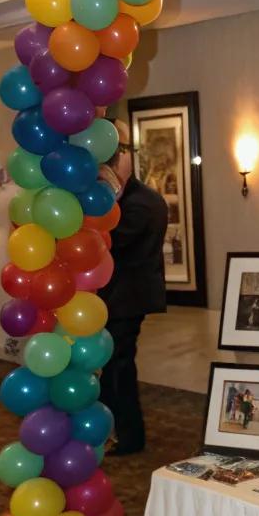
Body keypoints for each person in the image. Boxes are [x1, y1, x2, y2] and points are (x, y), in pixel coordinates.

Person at [98, 121, 168, 456]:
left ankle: (130, 436)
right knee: (113, 367)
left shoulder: (141, 203)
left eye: (119, 158)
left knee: (119, 368)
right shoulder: (135, 199)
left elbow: (112, 243)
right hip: (119, 297)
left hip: (127, 298)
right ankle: (113, 429)